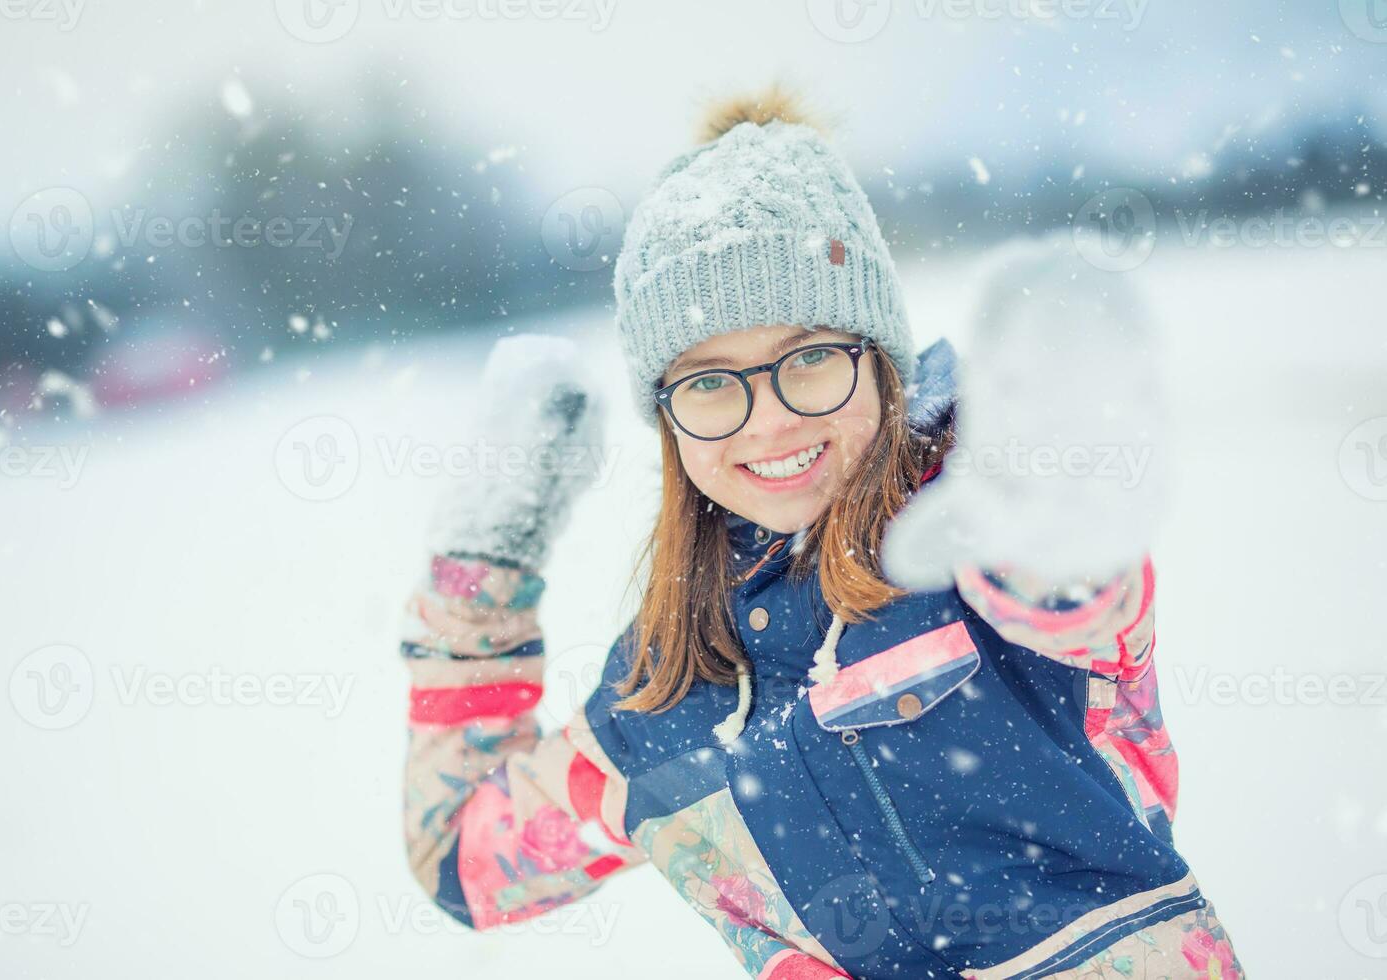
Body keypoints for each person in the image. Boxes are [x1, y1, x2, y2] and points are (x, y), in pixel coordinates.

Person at [398, 90, 1241, 979]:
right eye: (710, 382)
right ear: (668, 418)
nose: (768, 423)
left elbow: (1074, 593)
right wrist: (483, 563)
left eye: (809, 358)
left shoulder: (975, 518)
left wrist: (1054, 504)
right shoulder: (667, 689)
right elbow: (465, 862)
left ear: (877, 356)